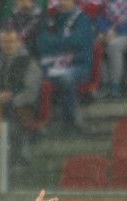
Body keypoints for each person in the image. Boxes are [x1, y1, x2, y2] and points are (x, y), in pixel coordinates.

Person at [36, 0, 93, 131]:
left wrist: (54, 44)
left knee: (67, 77)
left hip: (79, 65)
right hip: (53, 64)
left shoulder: (82, 19)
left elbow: (77, 43)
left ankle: (70, 121)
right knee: (34, 74)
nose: (61, 2)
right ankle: (39, 120)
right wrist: (63, 44)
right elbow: (41, 41)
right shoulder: (52, 19)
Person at [0, 25, 42, 161]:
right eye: (5, 42)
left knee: (11, 123)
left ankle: (16, 157)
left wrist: (12, 99)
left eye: (12, 41)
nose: (8, 45)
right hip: (0, 106)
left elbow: (31, 92)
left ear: (19, 42)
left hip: (23, 106)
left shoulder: (30, 63)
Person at [95, 0, 127, 98]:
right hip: (110, 32)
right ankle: (104, 83)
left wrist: (116, 32)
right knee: (97, 43)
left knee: (114, 45)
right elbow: (98, 17)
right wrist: (107, 30)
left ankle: (115, 86)